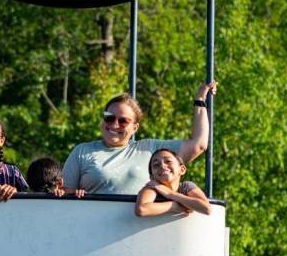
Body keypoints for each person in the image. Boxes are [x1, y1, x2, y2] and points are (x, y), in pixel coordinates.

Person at [62, 82, 217, 195]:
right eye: (109, 118)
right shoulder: (82, 151)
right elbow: (64, 194)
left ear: (135, 128)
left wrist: (200, 100)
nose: (115, 124)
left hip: (137, 233)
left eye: (123, 121)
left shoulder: (150, 149)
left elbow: (199, 144)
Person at [135, 148, 211, 217]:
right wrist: (173, 206)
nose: (162, 166)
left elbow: (206, 208)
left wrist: (171, 194)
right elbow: (142, 209)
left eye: (168, 161)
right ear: (151, 177)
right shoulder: (153, 187)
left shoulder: (186, 187)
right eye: (156, 165)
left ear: (182, 170)